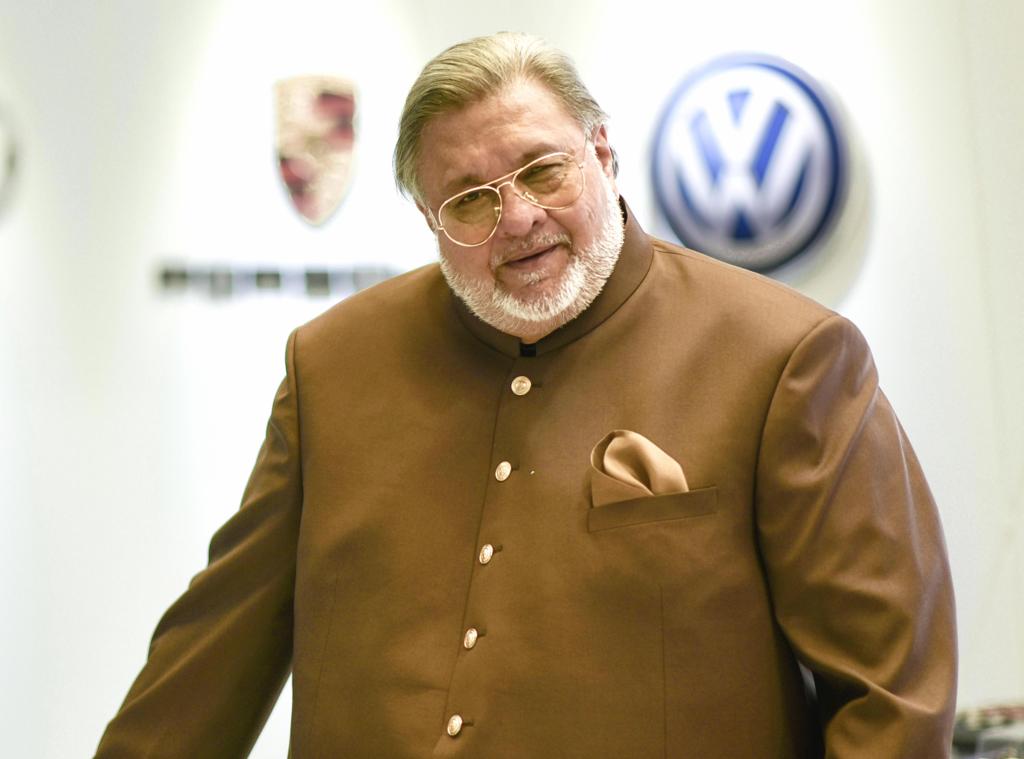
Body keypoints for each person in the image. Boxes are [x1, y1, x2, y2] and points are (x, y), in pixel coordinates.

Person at [95, 32, 957, 758]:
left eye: (543, 171)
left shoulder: (785, 359)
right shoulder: (331, 367)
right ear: (429, 221)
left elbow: (891, 700)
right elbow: (209, 660)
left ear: (603, 154)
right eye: (469, 200)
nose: (516, 219)